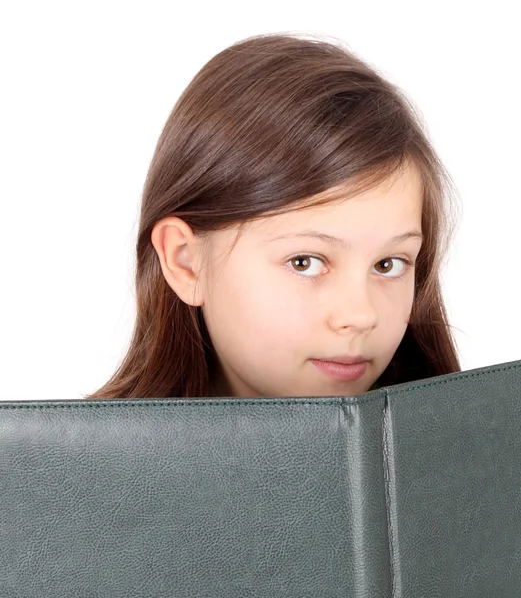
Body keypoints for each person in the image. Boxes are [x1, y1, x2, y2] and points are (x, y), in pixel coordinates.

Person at [84, 32, 462, 400]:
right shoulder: (83, 462)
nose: (361, 315)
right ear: (186, 260)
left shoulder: (470, 456)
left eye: (388, 265)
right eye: (305, 262)